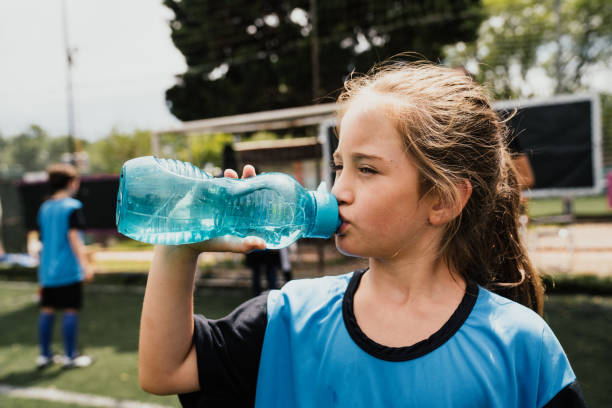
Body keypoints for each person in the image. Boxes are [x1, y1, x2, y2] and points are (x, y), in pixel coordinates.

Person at [138, 61, 584, 407]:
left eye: (366, 169)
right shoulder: (290, 318)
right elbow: (164, 370)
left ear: (443, 201)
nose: (339, 189)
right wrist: (184, 245)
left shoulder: (520, 344)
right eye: (339, 166)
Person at [36, 163, 94, 369]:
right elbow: (74, 238)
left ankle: (44, 355)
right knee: (70, 310)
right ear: (71, 182)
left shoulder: (44, 207)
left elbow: (42, 240)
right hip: (68, 271)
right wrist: (86, 265)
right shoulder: (73, 206)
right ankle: (70, 356)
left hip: (46, 272)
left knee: (47, 310)